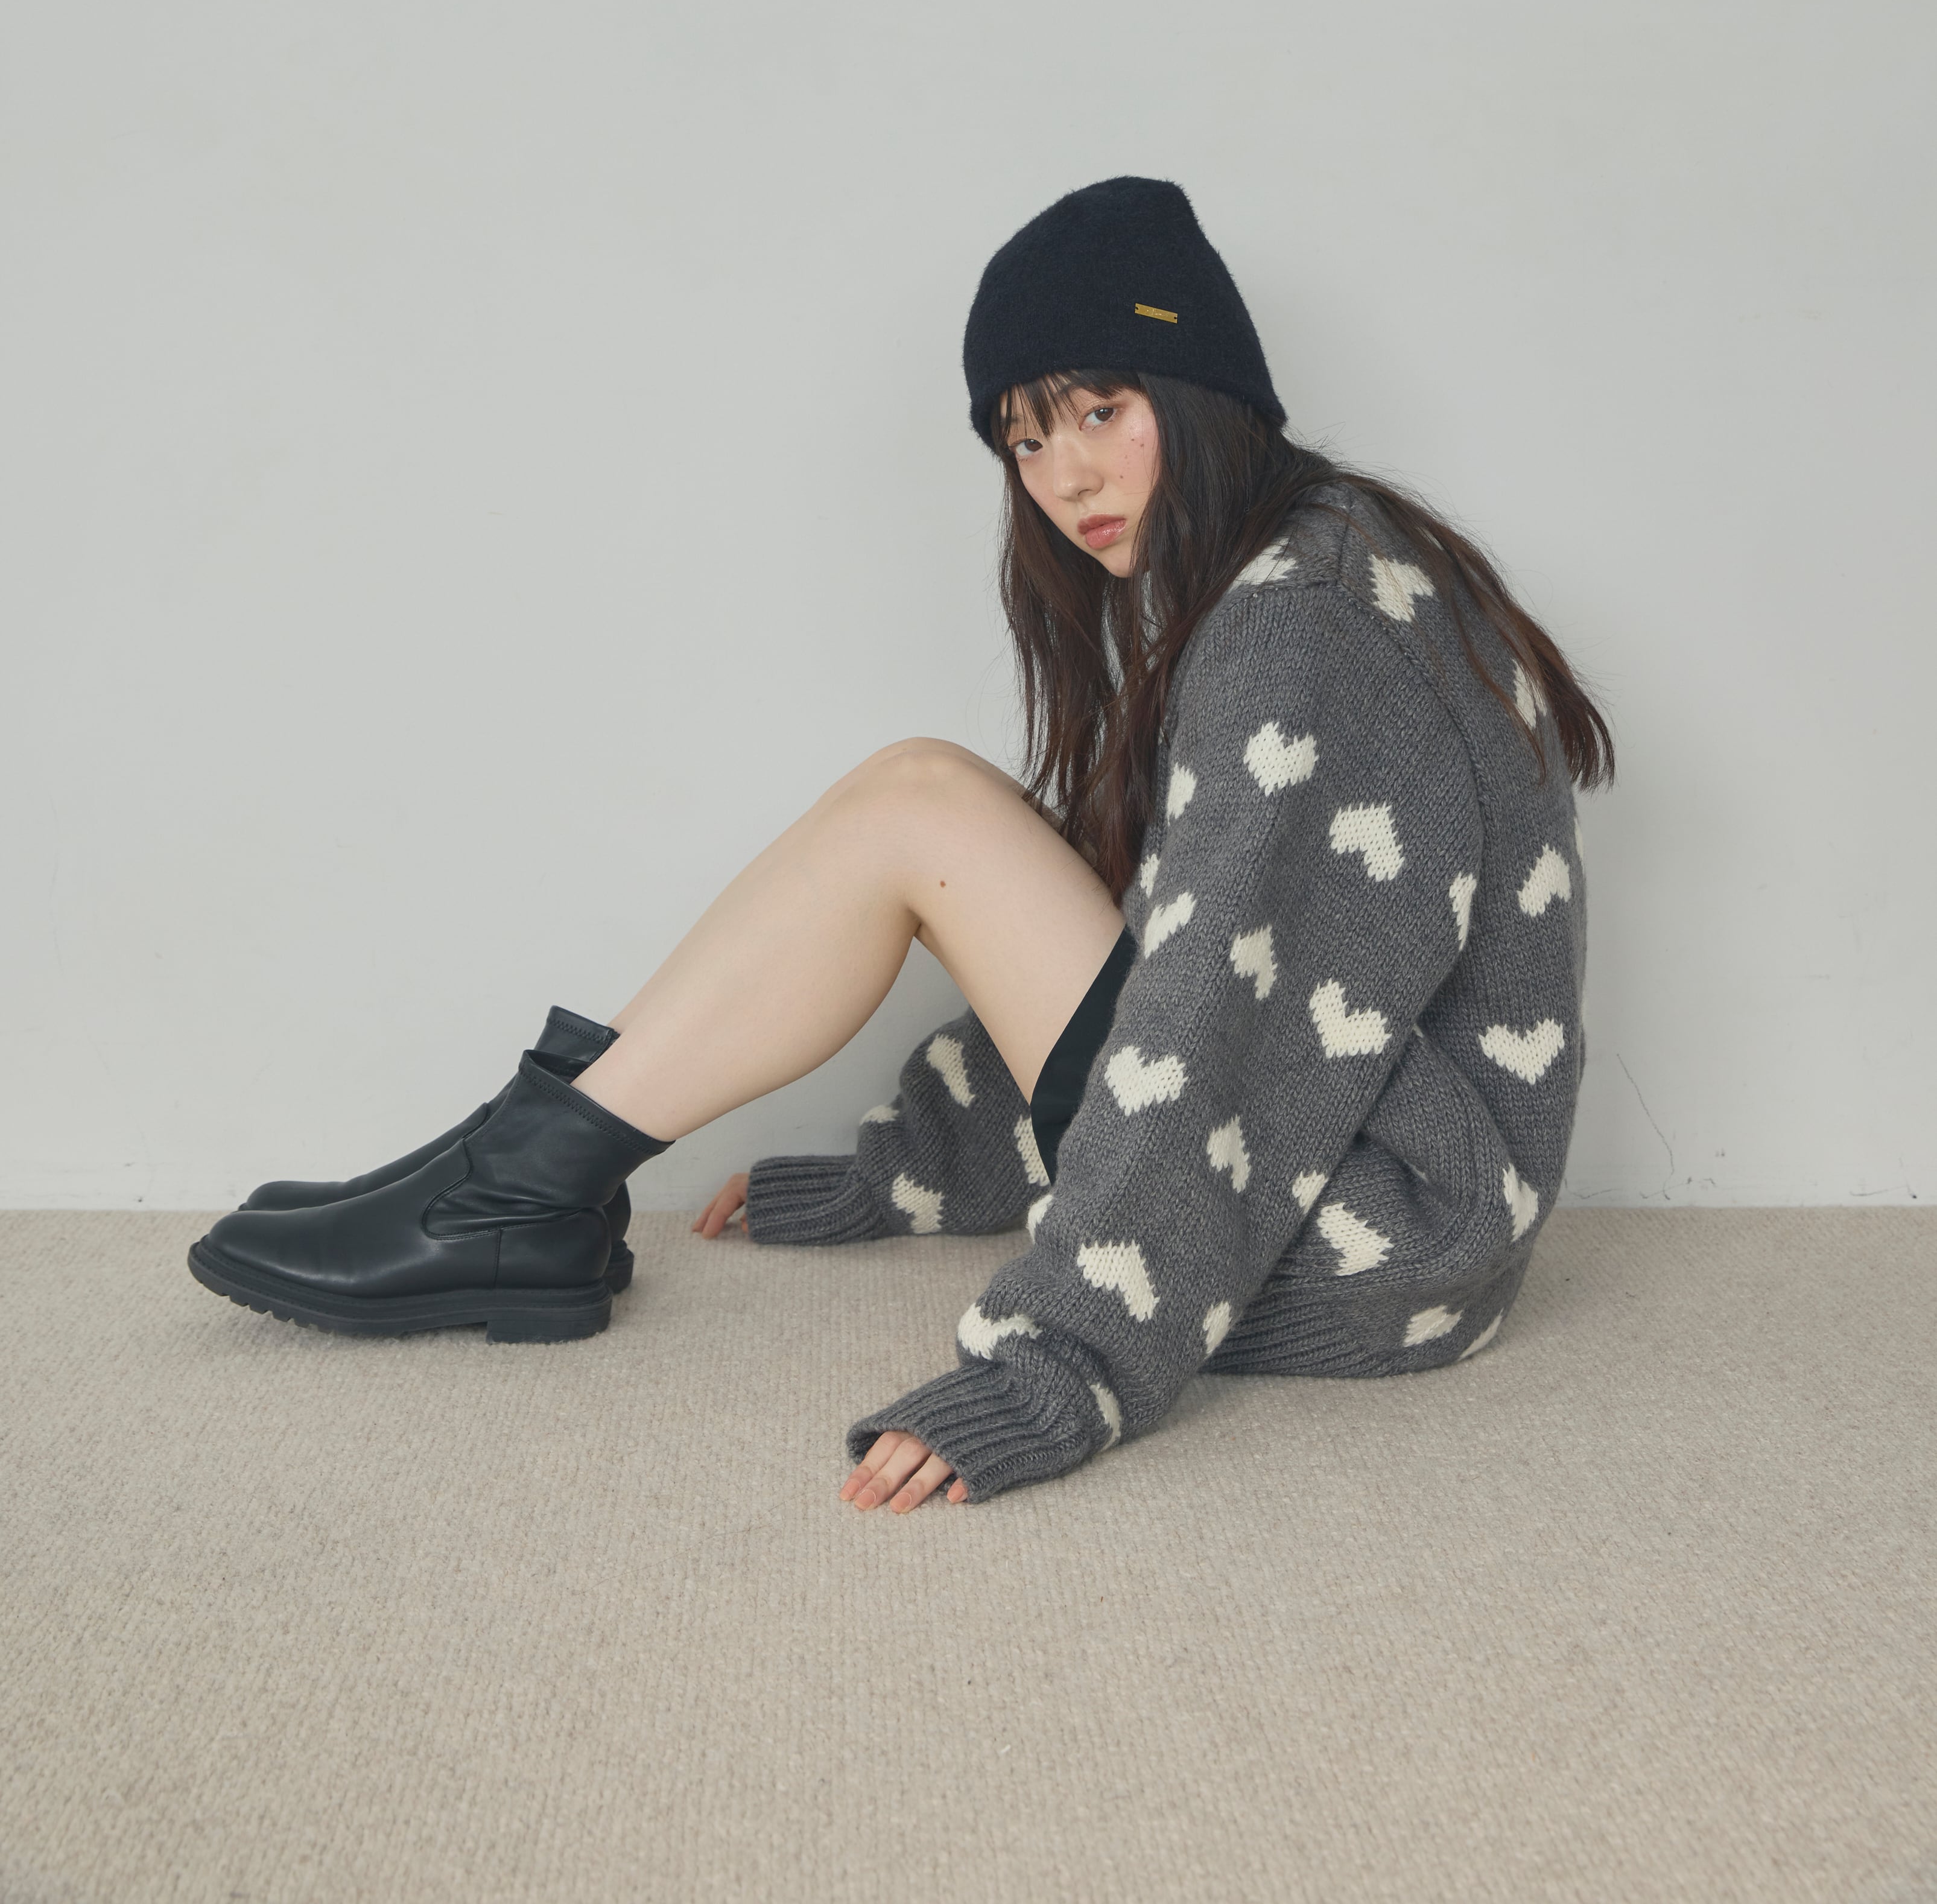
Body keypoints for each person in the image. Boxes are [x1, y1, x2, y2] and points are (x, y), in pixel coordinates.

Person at [189, 176, 1612, 1515]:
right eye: (1025, 439)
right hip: (1352, 1182)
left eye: (1101, 409)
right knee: (921, 797)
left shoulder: (1299, 627)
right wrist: (912, 1173)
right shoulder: (1318, 560)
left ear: (1201, 389)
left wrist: (1056, 1370)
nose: (1065, 474)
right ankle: (507, 1183)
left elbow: (1217, 1012)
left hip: (1369, 1235)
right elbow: (1164, 937)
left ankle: (510, 1195)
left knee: (918, 806)